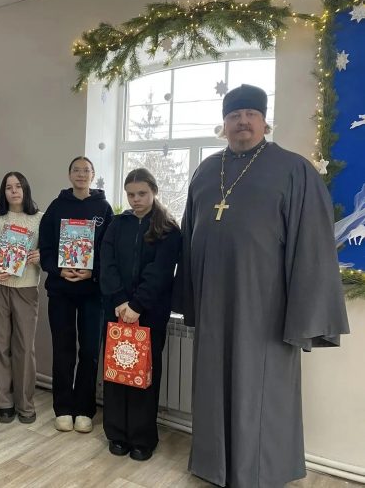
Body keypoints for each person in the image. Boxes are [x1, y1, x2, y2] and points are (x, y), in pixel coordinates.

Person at [174, 84, 350, 487]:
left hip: (265, 309)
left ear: (264, 121)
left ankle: (261, 471)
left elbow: (312, 244)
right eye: (234, 115)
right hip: (214, 304)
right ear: (224, 123)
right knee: (213, 386)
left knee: (262, 389)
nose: (243, 122)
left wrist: (304, 314)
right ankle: (214, 465)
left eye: (251, 114)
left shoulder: (293, 170)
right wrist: (190, 300)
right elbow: (188, 236)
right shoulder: (205, 171)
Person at [100, 168, 181, 461]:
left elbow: (160, 272)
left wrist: (137, 305)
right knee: (116, 372)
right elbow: (106, 262)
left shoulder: (168, 229)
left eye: (142, 194)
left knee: (143, 375)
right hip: (117, 311)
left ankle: (142, 438)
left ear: (154, 192)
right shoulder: (117, 224)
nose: (136, 200)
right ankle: (117, 434)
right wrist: (120, 300)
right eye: (131, 194)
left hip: (149, 313)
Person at [38, 156, 113, 433]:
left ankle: (84, 408)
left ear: (93, 175)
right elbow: (45, 248)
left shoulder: (104, 209)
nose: (81, 174)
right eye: (76, 170)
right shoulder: (56, 207)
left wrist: (92, 273)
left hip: (93, 292)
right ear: (69, 175)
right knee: (63, 349)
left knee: (90, 351)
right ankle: (63, 408)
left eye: (86, 170)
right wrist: (60, 270)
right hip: (61, 292)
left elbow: (109, 251)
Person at [0, 172, 43, 424]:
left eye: (18, 186)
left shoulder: (40, 219)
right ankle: (4, 403)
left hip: (26, 288)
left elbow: (51, 251)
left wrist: (40, 255)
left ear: (26, 189)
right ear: (4, 192)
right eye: (9, 187)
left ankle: (25, 404)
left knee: (24, 348)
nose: (14, 191)